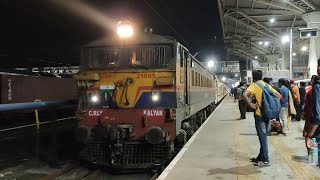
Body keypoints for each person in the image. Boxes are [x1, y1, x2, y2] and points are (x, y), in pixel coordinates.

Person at [243, 70, 282, 167]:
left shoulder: (254, 85)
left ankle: (265, 159)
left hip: (259, 114)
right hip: (267, 114)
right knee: (263, 136)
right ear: (262, 76)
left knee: (262, 137)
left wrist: (251, 105)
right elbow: (279, 96)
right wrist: (274, 107)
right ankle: (260, 156)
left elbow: (244, 94)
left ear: (253, 77)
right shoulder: (266, 85)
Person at [306, 59, 320, 159]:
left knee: (313, 143)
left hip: (315, 124)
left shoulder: (316, 88)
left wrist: (310, 134)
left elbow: (318, 113)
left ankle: (312, 157)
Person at [303, 75, 318, 154]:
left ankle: (310, 152)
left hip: (311, 117)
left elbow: (306, 104)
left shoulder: (310, 91)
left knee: (308, 134)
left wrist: (304, 114)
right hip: (315, 116)